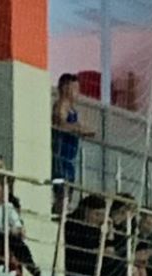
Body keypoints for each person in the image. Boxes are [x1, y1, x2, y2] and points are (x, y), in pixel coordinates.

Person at [51, 73, 94, 211]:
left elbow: (75, 125)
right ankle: (58, 214)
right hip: (61, 155)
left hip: (70, 156)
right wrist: (79, 129)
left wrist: (83, 129)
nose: (77, 92)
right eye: (74, 88)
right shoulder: (61, 106)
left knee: (69, 190)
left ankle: (62, 212)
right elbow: (61, 124)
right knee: (62, 190)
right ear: (65, 88)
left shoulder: (72, 109)